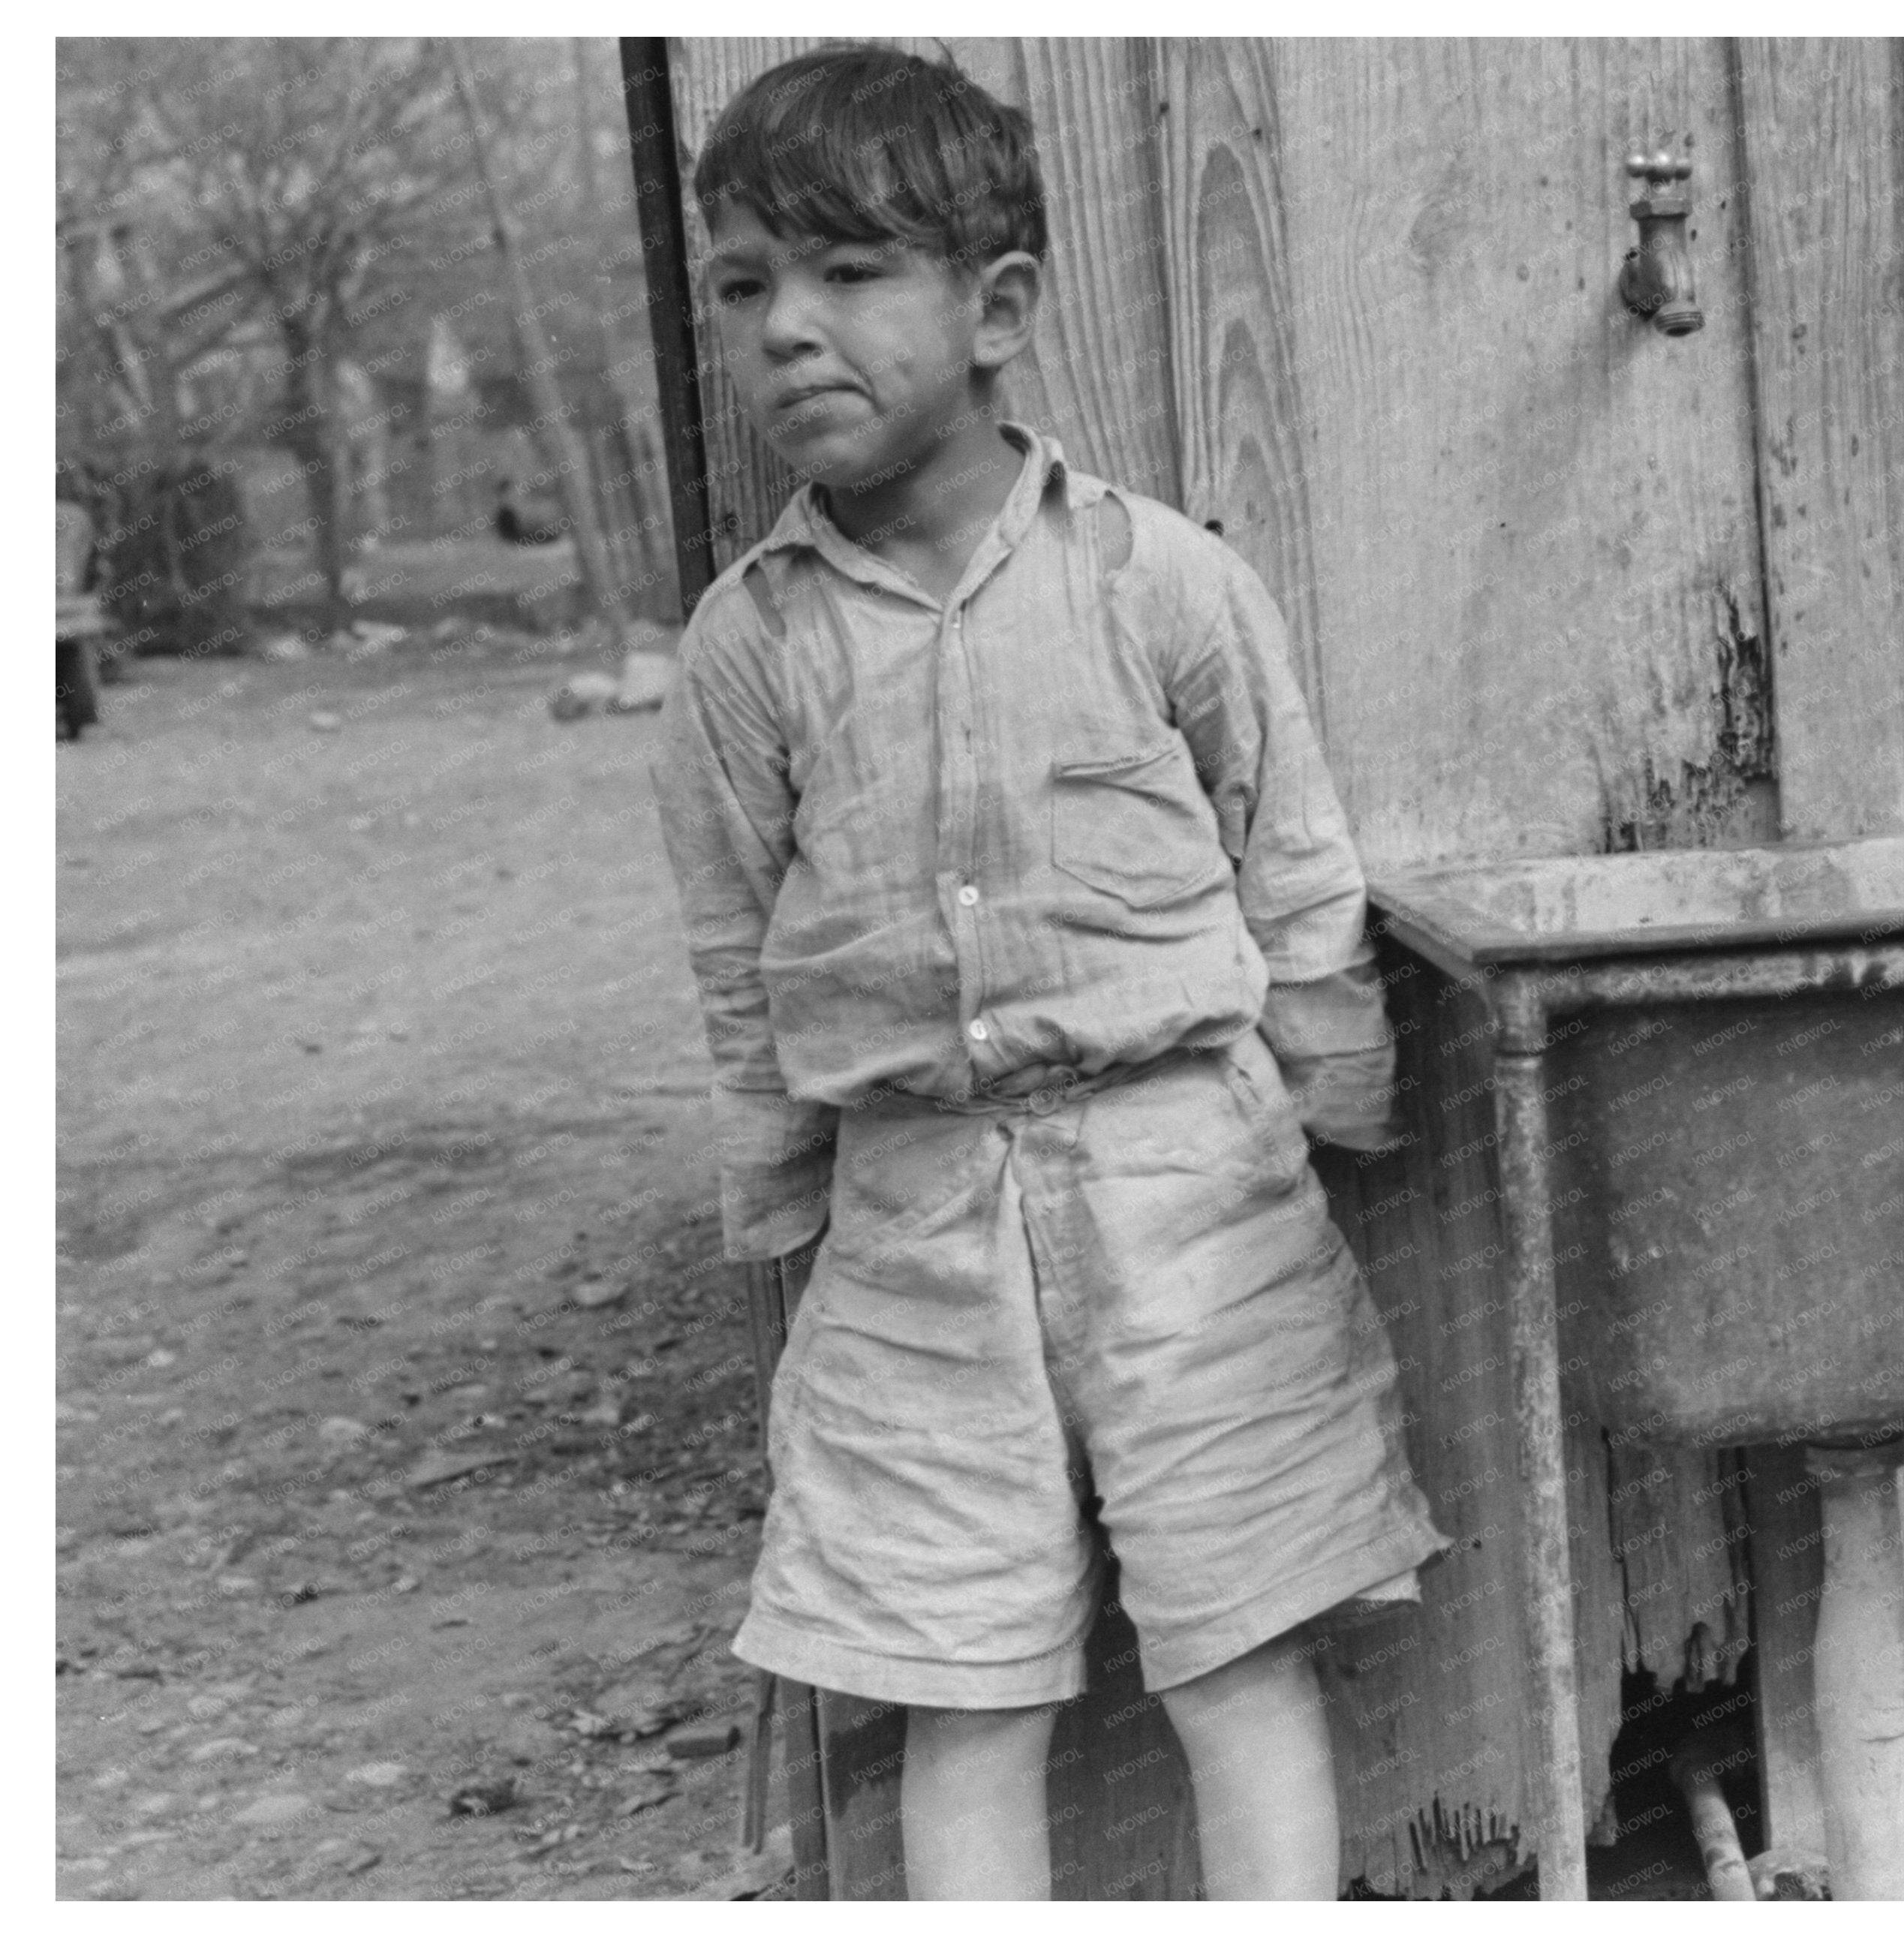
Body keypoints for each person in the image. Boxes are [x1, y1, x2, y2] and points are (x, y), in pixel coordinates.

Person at [648, 47, 1448, 1901]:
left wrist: (1323, 1117)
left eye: (849, 276)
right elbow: (729, 946)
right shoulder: (747, 654)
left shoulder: (1156, 582)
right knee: (959, 1685)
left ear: (996, 307)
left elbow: (1295, 866)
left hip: (1195, 1195)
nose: (785, 329)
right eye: (746, 283)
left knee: (1239, 1641)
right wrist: (780, 1208)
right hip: (914, 1224)